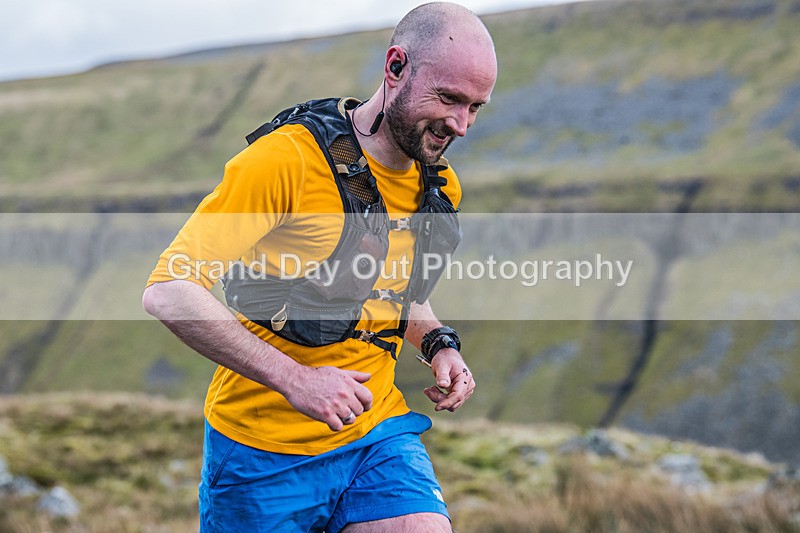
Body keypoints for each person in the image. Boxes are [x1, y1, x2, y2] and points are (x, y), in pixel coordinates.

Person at [142, 2, 497, 531]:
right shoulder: (285, 160)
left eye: (475, 107)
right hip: (261, 452)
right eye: (448, 98)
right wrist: (295, 380)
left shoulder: (438, 185)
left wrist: (438, 344)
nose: (460, 125)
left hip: (376, 436)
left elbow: (396, 291)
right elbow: (168, 290)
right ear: (396, 66)